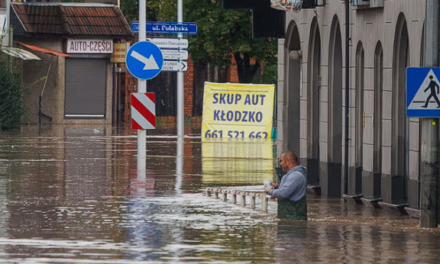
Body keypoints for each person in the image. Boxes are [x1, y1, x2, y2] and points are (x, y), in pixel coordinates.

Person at [264, 151, 307, 220]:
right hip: (288, 218)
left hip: (293, 220)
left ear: (288, 162)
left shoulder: (295, 176)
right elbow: (289, 190)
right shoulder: (292, 175)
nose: (280, 163)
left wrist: (269, 191)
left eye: (282, 161)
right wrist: (278, 187)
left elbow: (283, 193)